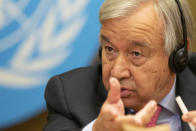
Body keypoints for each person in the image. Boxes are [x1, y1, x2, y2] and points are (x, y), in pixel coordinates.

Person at [43, 0, 196, 131]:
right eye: (110, 49)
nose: (116, 72)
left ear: (179, 55)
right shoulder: (70, 94)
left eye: (136, 53)